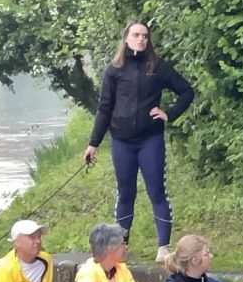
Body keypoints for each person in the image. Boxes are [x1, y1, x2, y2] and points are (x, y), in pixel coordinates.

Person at [83, 20, 195, 262]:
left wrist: (169, 113)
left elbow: (187, 91)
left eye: (145, 36)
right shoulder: (114, 70)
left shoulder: (157, 67)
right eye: (136, 35)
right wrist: (93, 143)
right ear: (126, 38)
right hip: (121, 141)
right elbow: (104, 108)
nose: (141, 39)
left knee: (157, 191)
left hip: (150, 139)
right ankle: (121, 247)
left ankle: (163, 248)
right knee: (125, 194)